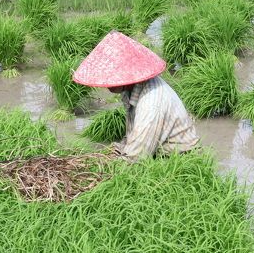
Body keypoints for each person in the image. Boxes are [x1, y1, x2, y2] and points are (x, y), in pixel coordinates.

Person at [73, 31, 199, 160]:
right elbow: (133, 135)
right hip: (158, 150)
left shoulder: (151, 103)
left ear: (126, 73)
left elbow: (136, 158)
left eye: (112, 75)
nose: (106, 83)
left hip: (179, 158)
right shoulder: (129, 88)